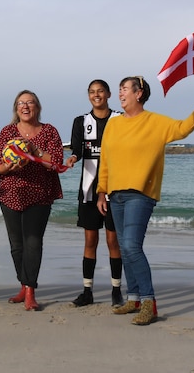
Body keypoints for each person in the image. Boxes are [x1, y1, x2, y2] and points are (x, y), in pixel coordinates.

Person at [97, 76, 194, 325]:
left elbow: (182, 128)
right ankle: (133, 298)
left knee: (132, 247)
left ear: (138, 93)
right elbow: (106, 160)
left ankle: (149, 303)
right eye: (119, 90)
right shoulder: (113, 124)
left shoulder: (154, 122)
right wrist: (101, 190)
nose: (120, 94)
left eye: (124, 90)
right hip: (116, 194)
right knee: (124, 248)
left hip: (141, 194)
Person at [0, 90, 64, 311]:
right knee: (17, 245)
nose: (25, 106)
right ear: (16, 108)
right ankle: (23, 285)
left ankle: (30, 291)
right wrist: (10, 165)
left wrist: (33, 150)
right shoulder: (7, 132)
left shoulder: (49, 131)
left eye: (30, 102)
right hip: (11, 192)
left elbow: (56, 162)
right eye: (21, 103)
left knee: (33, 241)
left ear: (37, 107)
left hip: (39, 192)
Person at [65, 79, 123, 308]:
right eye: (92, 92)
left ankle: (116, 290)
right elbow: (77, 149)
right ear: (88, 96)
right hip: (89, 189)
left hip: (116, 189)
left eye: (100, 91)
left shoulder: (120, 119)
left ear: (108, 94)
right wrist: (72, 157)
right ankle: (87, 291)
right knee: (90, 240)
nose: (96, 95)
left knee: (113, 241)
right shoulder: (81, 121)